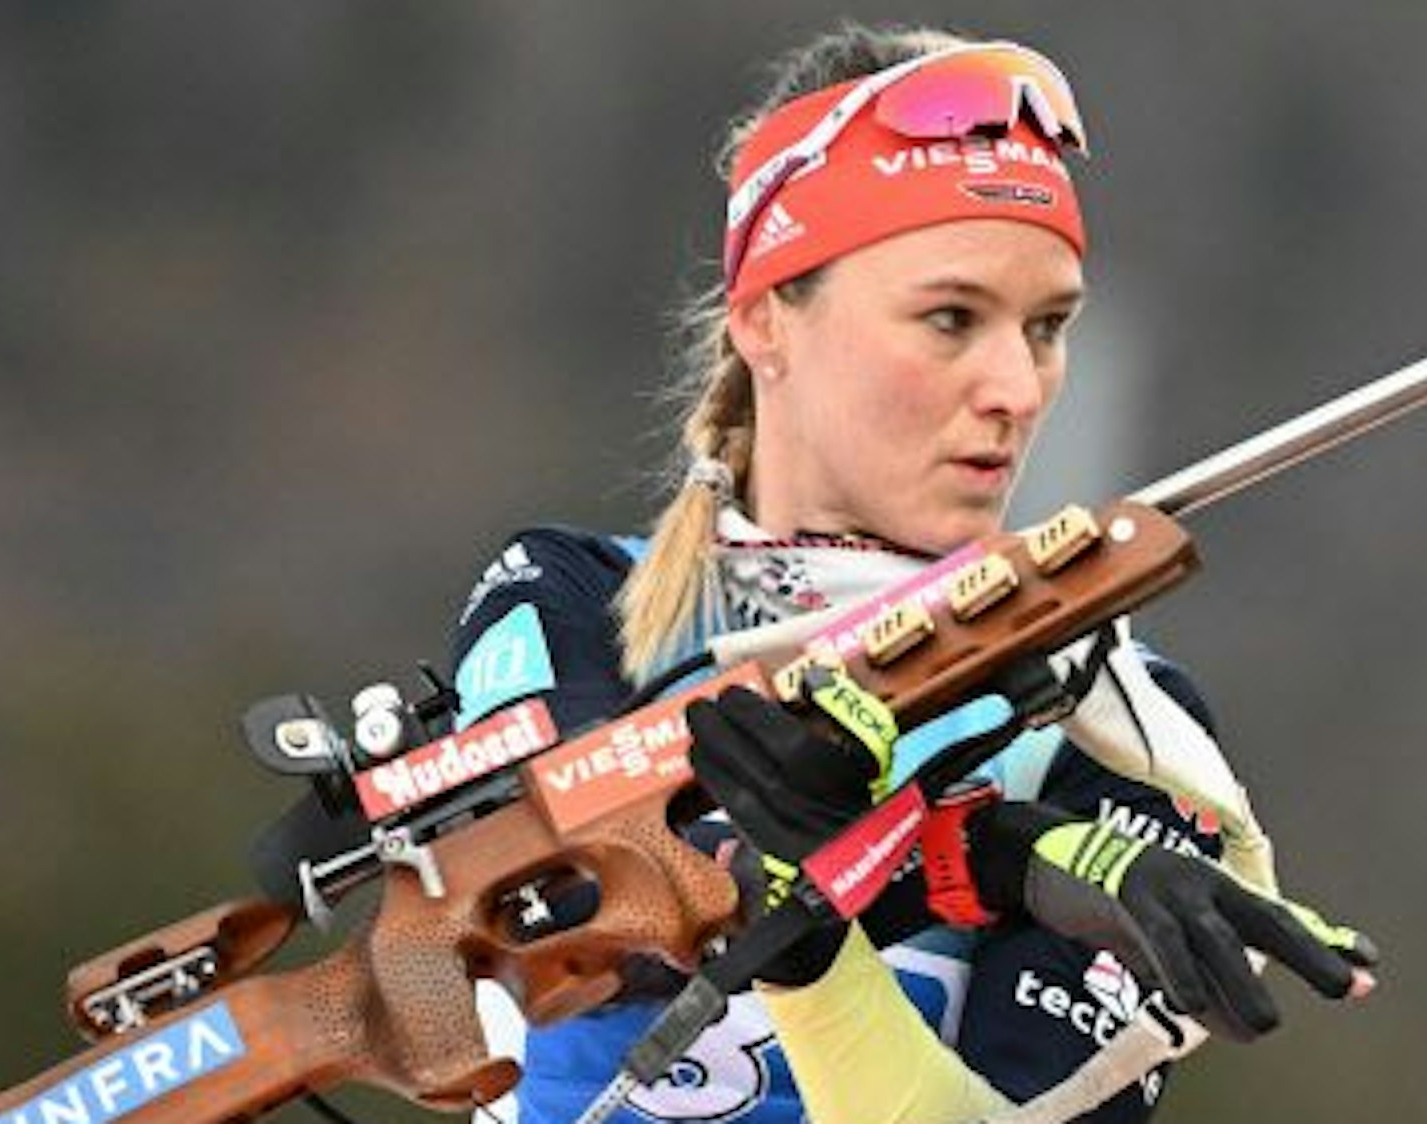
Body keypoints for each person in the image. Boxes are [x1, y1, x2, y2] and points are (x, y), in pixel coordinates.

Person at [449, 23, 1373, 1124]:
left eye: (1045, 326)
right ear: (765, 319)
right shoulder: (563, 599)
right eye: (950, 318)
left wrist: (814, 945)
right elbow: (574, 903)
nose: (1017, 388)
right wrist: (998, 857)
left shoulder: (1115, 715)